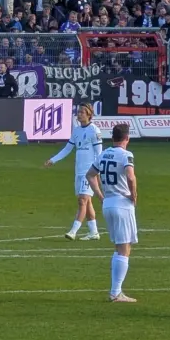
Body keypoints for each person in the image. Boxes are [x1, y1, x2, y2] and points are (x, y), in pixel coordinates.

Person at [89, 123, 138, 303]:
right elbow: (131, 176)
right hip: (122, 203)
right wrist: (134, 195)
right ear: (127, 138)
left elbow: (90, 175)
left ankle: (116, 290)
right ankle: (116, 292)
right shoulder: (126, 155)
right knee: (124, 248)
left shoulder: (104, 154)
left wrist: (100, 195)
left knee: (120, 247)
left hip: (108, 203)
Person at [44, 103, 101, 240]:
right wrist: (53, 160)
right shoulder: (76, 130)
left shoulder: (94, 130)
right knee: (87, 202)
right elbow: (68, 148)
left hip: (89, 172)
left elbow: (99, 153)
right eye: (78, 112)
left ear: (89, 115)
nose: (79, 114)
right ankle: (94, 232)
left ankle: (73, 231)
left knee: (82, 200)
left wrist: (97, 170)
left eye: (82, 112)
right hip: (79, 171)